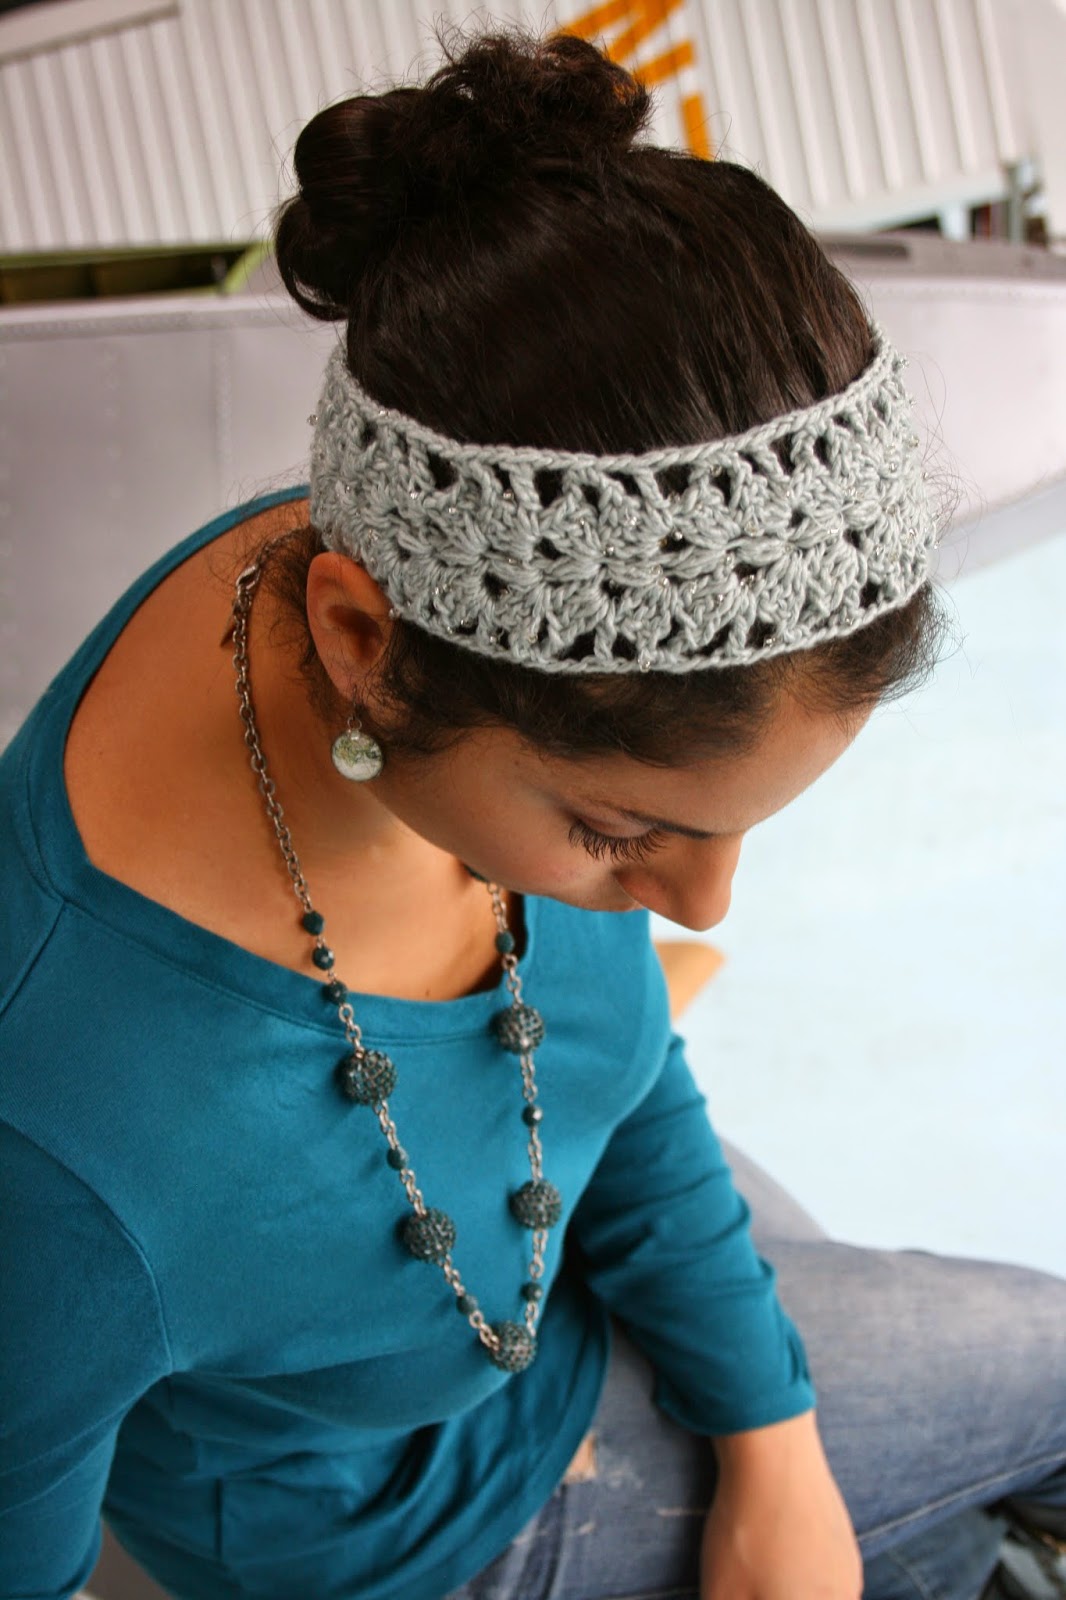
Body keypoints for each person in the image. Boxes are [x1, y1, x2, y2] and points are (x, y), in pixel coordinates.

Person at [1, 24, 1064, 1600]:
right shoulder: (72, 1144)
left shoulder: (395, 583)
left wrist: (772, 1444)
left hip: (540, 1262)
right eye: (622, 833)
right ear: (359, 639)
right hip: (420, 1534)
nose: (703, 911)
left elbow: (600, 1069)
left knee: (929, 1540)